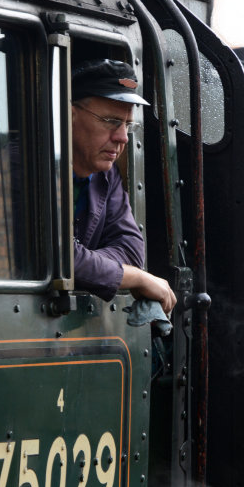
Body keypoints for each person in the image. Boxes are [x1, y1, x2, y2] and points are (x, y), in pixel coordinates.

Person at [72, 59, 176, 315]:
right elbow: (55, 257)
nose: (122, 138)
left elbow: (130, 249)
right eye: (110, 121)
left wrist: (86, 263)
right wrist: (137, 278)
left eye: (128, 125)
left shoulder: (106, 176)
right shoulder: (26, 167)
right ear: (70, 115)